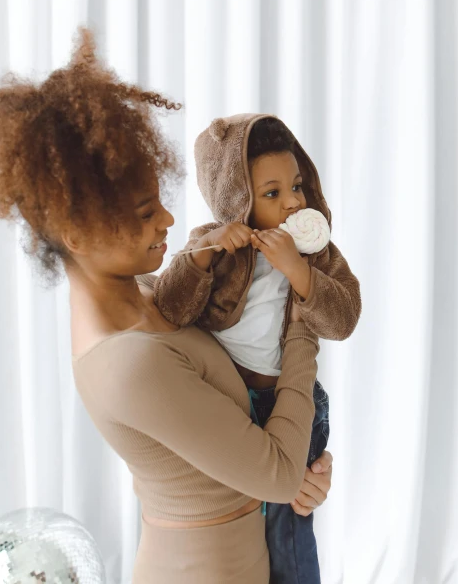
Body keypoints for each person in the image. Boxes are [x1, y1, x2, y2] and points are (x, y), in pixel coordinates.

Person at [0, 29, 332, 584]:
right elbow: (276, 471)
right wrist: (305, 314)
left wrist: (306, 470)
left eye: (159, 200)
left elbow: (262, 461)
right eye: (144, 212)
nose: (166, 220)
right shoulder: (128, 363)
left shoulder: (145, 296)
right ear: (77, 232)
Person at [154, 113, 362, 583]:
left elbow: (344, 318)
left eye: (297, 186)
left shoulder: (316, 252)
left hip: (287, 406)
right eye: (272, 194)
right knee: (241, 527)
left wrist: (300, 271)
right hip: (229, 405)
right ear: (238, 198)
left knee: (289, 531)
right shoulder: (213, 245)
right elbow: (171, 308)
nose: (292, 202)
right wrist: (206, 252)